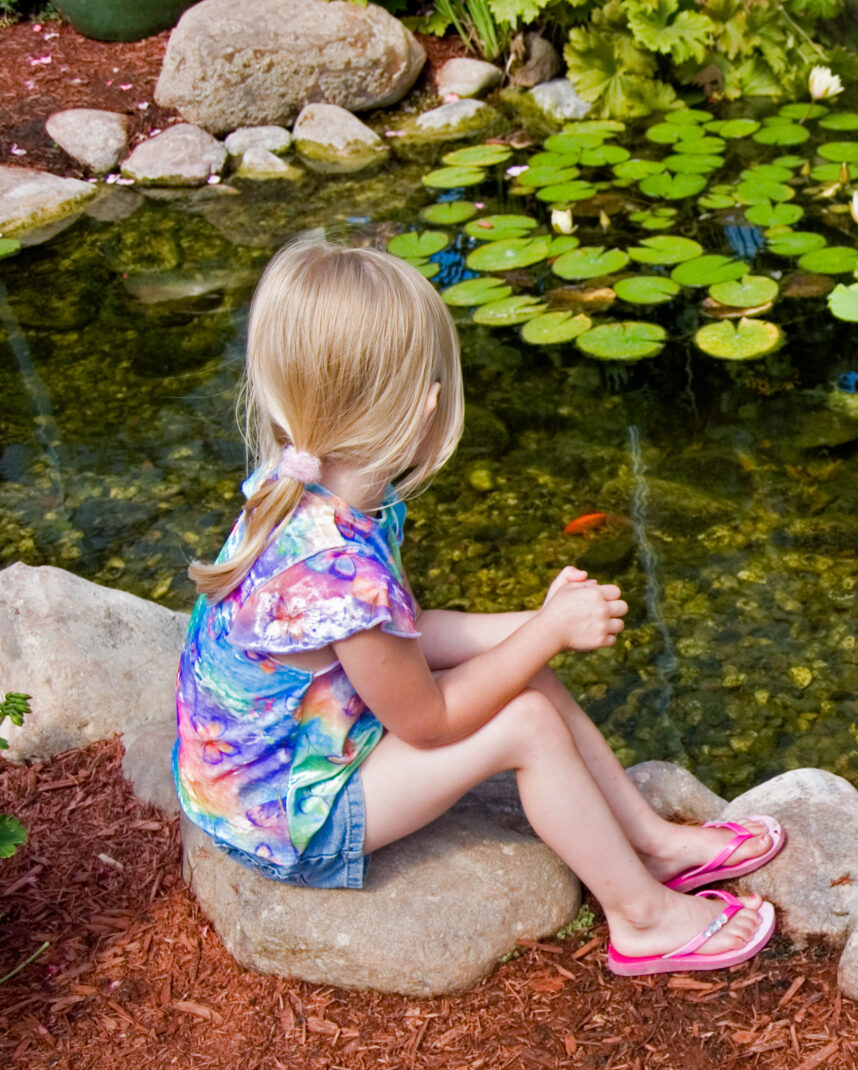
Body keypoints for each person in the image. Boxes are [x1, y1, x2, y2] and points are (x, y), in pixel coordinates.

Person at [173, 235, 785, 977]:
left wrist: (533, 628)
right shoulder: (336, 566)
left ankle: (653, 844)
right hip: (288, 820)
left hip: (300, 754)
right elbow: (427, 721)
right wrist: (546, 633)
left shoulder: (315, 489)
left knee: (520, 672)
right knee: (527, 722)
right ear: (428, 405)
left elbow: (406, 637)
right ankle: (643, 919)